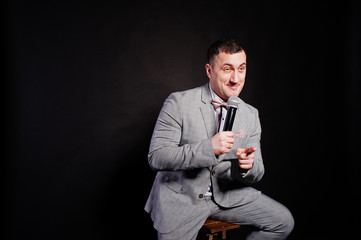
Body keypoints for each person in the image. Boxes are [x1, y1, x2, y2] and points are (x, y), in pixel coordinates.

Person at [145, 39, 294, 240]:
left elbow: (257, 172)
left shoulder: (250, 114)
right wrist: (208, 148)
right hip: (183, 199)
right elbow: (157, 157)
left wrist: (247, 167)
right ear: (209, 71)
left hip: (226, 195)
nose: (236, 78)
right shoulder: (178, 103)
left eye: (241, 69)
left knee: (283, 222)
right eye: (227, 69)